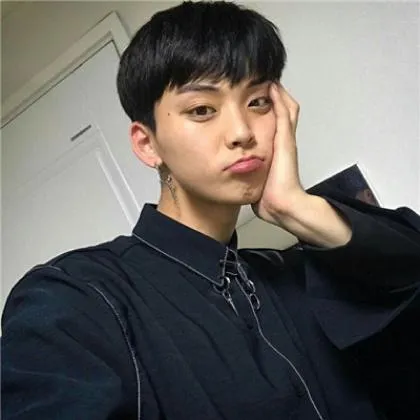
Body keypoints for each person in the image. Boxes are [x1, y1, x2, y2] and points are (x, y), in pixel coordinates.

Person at [2, 2, 420, 419]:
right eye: (202, 109)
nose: (241, 132)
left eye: (258, 102)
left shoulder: (293, 274)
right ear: (147, 144)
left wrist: (294, 207)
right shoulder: (77, 297)